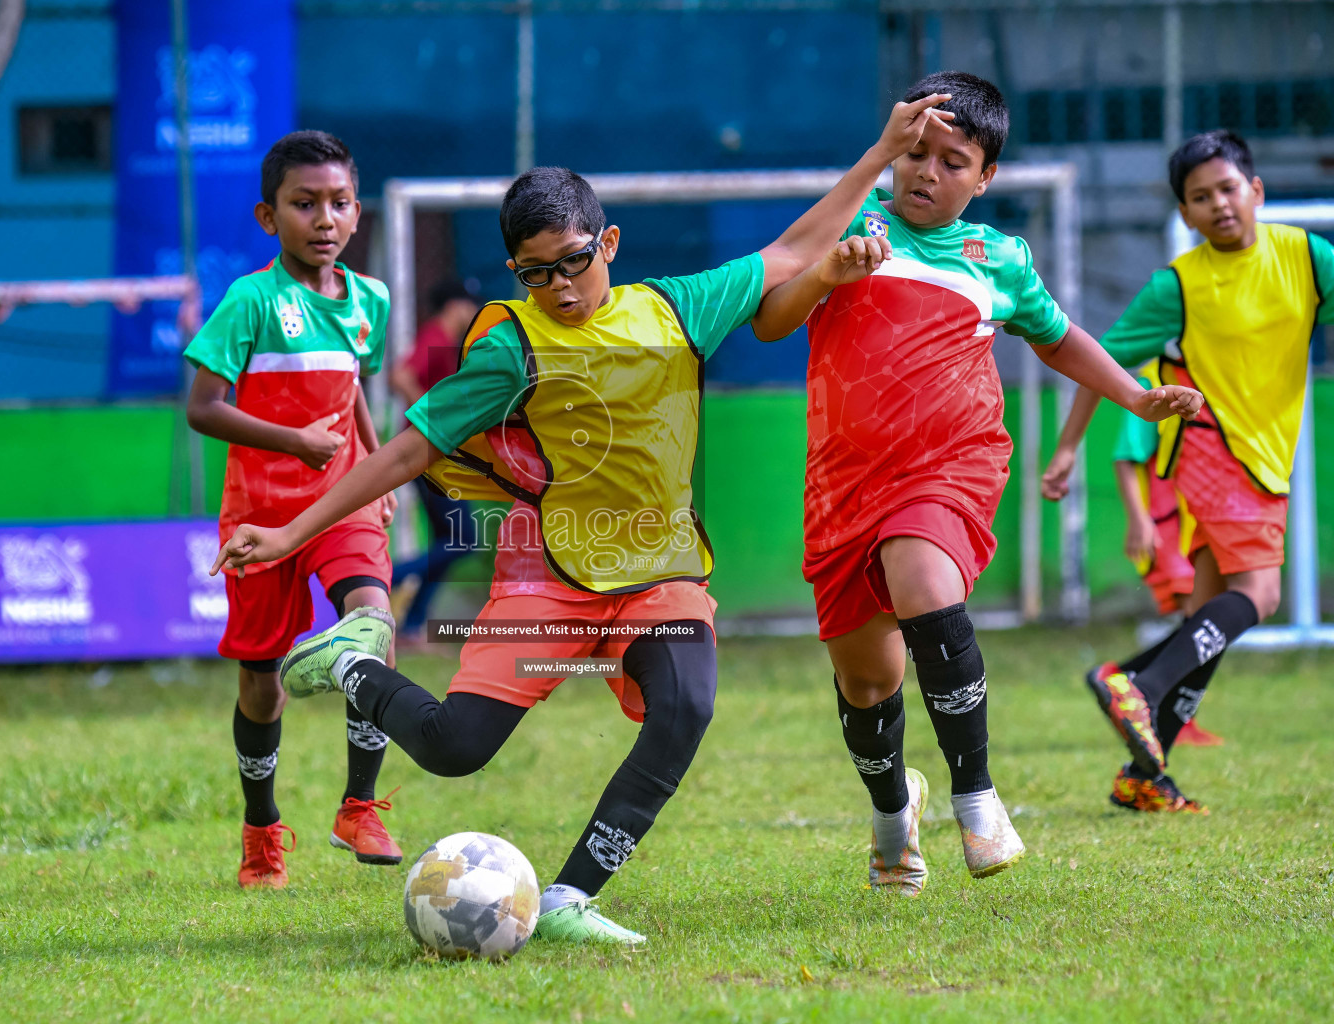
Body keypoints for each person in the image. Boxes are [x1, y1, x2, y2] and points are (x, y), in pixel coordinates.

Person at [208, 100, 957, 943]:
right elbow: (408, 451)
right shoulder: (510, 346)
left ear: (608, 243)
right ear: (514, 271)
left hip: (659, 576)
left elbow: (792, 250)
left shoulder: (676, 311)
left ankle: (568, 899)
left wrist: (880, 153)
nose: (560, 289)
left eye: (573, 263)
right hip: (549, 585)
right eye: (536, 274)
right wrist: (290, 533)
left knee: (687, 706)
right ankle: (351, 664)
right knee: (456, 748)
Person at [748, 71, 1203, 895]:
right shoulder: (853, 222)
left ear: (986, 176)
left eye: (952, 162)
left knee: (923, 575)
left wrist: (1134, 394)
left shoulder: (1000, 258)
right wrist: (825, 277)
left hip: (950, 469)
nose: (926, 173)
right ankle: (893, 813)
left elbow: (1059, 339)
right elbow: (772, 317)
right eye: (914, 154)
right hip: (842, 486)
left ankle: (978, 795)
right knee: (867, 682)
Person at [1041, 130, 1334, 811]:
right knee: (1259, 596)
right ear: (1186, 215)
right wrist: (1066, 448)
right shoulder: (1178, 286)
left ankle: (1144, 774)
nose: (1219, 205)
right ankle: (1137, 686)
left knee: (1210, 615)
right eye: (1200, 198)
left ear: (1256, 192)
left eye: (1228, 189)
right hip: (1214, 449)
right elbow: (1098, 361)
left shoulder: (1308, 257)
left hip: (1266, 457)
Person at [184, 130, 403, 889]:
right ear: (268, 217)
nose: (325, 219)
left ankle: (359, 805)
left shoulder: (369, 297)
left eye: (339, 203)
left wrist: (376, 471)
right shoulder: (251, 301)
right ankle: (262, 832)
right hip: (262, 520)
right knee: (261, 682)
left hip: (341, 503)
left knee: (373, 622)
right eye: (304, 204)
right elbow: (202, 409)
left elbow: (354, 396)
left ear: (356, 211)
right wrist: (292, 441)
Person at [1042, 359, 1224, 782]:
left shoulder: (1206, 377)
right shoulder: (1153, 384)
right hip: (1165, 530)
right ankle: (1138, 689)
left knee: (1201, 620)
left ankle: (1141, 689)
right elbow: (1126, 458)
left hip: (1190, 524)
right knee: (1200, 618)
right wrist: (1140, 520)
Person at [388, 280, 482, 641]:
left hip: (437, 455)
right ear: (454, 306)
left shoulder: (449, 343)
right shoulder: (438, 335)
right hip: (428, 456)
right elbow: (400, 375)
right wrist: (432, 419)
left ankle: (411, 628)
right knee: (461, 540)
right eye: (470, 306)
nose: (473, 314)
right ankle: (385, 576)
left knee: (451, 540)